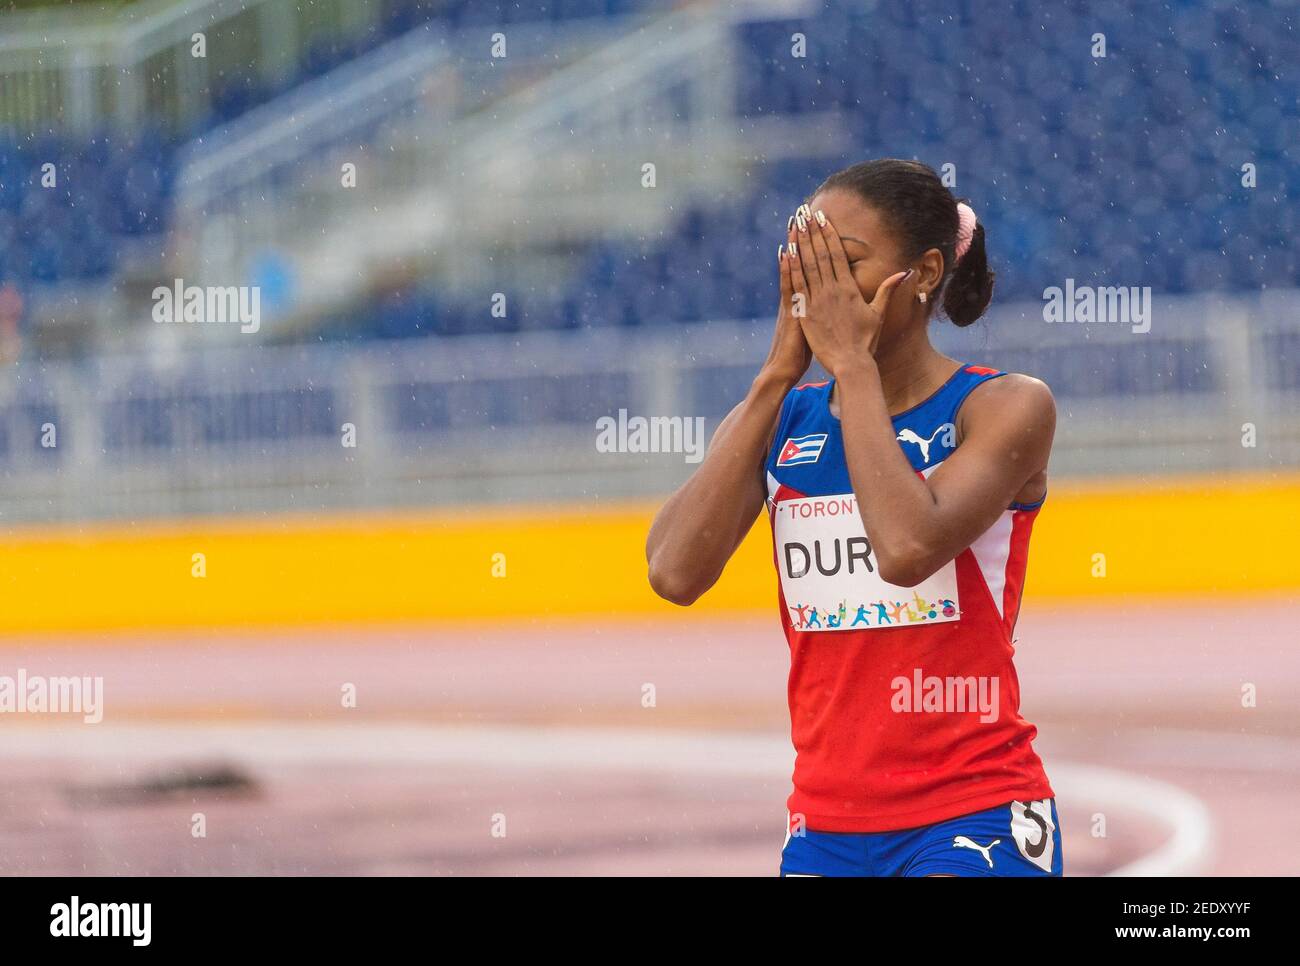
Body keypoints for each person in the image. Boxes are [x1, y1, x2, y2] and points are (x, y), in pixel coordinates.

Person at [646, 159, 1062, 877]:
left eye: (845, 265)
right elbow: (674, 572)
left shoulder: (1003, 407)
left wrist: (853, 369)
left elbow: (906, 548)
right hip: (825, 827)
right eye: (807, 265)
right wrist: (779, 373)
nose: (823, 290)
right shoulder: (783, 419)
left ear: (925, 272)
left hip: (975, 812)